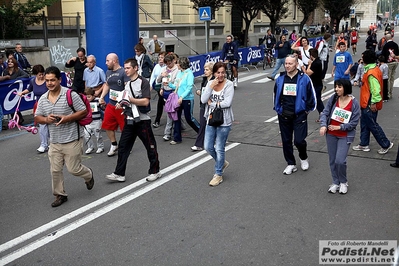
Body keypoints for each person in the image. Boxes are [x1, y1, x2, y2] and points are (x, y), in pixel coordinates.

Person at [34, 66, 94, 207]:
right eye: (47, 81)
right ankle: (60, 194)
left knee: (74, 169)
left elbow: (83, 111)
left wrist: (66, 118)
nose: (49, 83)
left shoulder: (70, 94)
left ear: (59, 80)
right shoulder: (43, 99)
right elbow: (37, 117)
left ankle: (88, 175)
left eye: (52, 80)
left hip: (72, 139)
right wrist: (46, 120)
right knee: (55, 170)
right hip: (54, 141)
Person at [106, 58, 161, 183]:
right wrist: (122, 104)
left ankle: (155, 171)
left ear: (135, 68)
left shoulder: (143, 82)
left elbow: (146, 101)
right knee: (123, 146)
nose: (126, 70)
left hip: (142, 120)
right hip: (130, 120)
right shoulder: (128, 84)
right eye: (125, 68)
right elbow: (126, 100)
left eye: (128, 68)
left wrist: (130, 100)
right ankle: (119, 173)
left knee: (150, 146)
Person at [273, 54, 316, 175]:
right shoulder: (280, 78)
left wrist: (307, 110)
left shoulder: (304, 78)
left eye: (290, 63)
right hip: (284, 114)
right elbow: (275, 95)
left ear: (297, 64)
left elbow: (311, 96)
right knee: (286, 141)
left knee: (299, 140)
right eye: (286, 63)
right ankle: (291, 163)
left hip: (299, 115)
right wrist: (278, 110)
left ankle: (303, 157)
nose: (287, 66)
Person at [319, 79, 361, 194]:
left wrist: (340, 127)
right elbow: (325, 113)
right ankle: (335, 182)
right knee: (332, 160)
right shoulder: (333, 99)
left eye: (339, 87)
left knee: (340, 161)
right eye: (336, 86)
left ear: (346, 88)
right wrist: (323, 125)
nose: (336, 89)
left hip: (344, 135)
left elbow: (354, 122)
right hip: (331, 135)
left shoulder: (354, 103)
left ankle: (343, 181)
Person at [352, 50, 394, 154]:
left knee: (372, 125)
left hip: (369, 102)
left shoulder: (371, 72)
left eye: (362, 58)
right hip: (368, 101)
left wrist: (373, 102)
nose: (361, 60)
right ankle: (364, 143)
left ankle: (385, 143)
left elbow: (376, 90)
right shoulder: (374, 69)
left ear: (366, 59)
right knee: (365, 123)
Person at [201, 62, 234, 186]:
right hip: (211, 118)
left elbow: (227, 103)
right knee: (208, 146)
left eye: (222, 72)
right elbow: (203, 100)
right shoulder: (210, 83)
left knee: (220, 148)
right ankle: (222, 162)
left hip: (224, 120)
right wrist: (210, 87)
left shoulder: (229, 84)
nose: (220, 75)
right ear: (214, 73)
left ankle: (218, 174)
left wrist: (213, 104)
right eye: (218, 72)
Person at [99, 53, 130, 157]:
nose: (106, 63)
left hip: (121, 106)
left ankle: (125, 145)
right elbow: (107, 85)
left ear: (114, 61)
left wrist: (123, 102)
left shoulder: (123, 72)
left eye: (108, 61)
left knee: (124, 127)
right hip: (111, 104)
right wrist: (102, 97)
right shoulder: (108, 72)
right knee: (107, 124)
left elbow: (127, 88)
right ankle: (114, 144)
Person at [17, 64, 49, 153]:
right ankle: (44, 144)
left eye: (43, 74)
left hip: (49, 104)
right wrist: (22, 93)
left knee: (50, 124)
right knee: (42, 124)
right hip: (39, 105)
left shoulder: (47, 81)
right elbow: (29, 89)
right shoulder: (32, 81)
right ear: (35, 74)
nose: (42, 76)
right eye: (39, 74)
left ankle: (52, 142)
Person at [168, 57, 199, 144]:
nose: (176, 65)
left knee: (189, 118)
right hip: (178, 99)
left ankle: (201, 132)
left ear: (182, 65)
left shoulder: (189, 74)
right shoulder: (179, 73)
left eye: (178, 63)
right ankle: (177, 138)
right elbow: (176, 86)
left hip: (187, 99)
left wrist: (182, 96)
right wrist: (169, 84)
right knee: (176, 118)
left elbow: (189, 87)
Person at [191, 61, 214, 151]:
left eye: (207, 69)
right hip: (203, 105)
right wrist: (200, 92)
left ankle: (218, 139)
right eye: (204, 69)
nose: (205, 71)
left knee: (213, 124)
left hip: (211, 105)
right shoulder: (204, 80)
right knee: (203, 124)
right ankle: (199, 144)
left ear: (212, 71)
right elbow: (203, 91)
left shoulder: (213, 81)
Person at [157, 53, 179, 139]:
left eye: (169, 63)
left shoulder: (177, 70)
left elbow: (177, 82)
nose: (168, 66)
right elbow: (158, 80)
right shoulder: (164, 69)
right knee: (172, 111)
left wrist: (172, 87)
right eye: (166, 64)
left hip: (173, 92)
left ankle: (167, 133)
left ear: (173, 61)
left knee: (170, 112)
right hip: (165, 92)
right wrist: (162, 86)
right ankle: (181, 125)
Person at [83, 87, 104, 154]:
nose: (87, 99)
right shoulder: (84, 101)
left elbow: (103, 108)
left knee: (98, 135)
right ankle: (90, 147)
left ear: (93, 95)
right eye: (86, 97)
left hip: (96, 121)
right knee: (86, 135)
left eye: (89, 97)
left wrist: (103, 104)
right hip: (88, 121)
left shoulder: (97, 100)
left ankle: (100, 147)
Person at [305, 48, 324, 121]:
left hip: (316, 84)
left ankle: (322, 114)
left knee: (316, 100)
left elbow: (308, 73)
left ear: (311, 55)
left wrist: (309, 64)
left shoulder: (315, 63)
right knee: (316, 99)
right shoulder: (318, 61)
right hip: (317, 83)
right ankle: (322, 114)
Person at [149, 51, 166, 127]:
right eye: (159, 57)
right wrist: (150, 85)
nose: (160, 59)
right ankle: (157, 120)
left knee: (161, 103)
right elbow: (153, 76)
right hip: (158, 87)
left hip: (165, 87)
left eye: (162, 57)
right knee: (162, 102)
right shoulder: (156, 66)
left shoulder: (166, 67)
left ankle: (157, 120)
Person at [380, 33, 399, 99]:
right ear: (391, 38)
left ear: (385, 38)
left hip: (388, 63)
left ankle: (387, 93)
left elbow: (383, 55)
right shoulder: (395, 44)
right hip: (395, 62)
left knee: (388, 78)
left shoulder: (385, 45)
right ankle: (391, 92)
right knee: (392, 78)